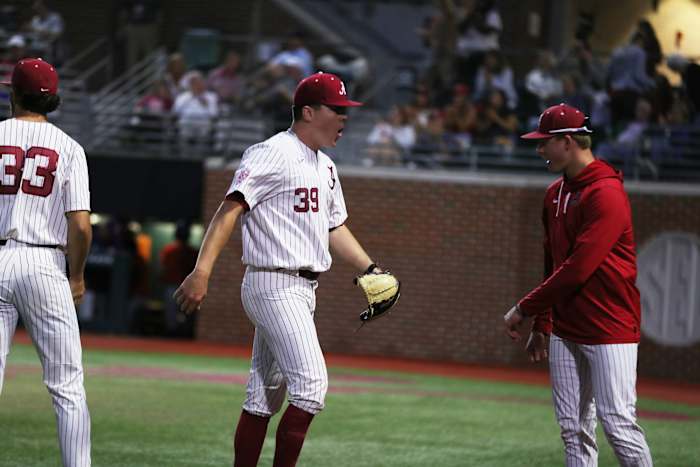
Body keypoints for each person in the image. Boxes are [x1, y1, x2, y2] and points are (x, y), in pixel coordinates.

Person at [174, 72, 386, 467]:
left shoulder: (325, 167)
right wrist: (201, 271)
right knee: (310, 388)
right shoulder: (272, 151)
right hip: (273, 281)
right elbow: (229, 210)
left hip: (302, 289)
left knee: (264, 395)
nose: (344, 118)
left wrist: (370, 268)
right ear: (308, 111)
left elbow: (334, 228)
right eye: (336, 110)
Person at [503, 103, 653, 467]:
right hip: (566, 330)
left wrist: (524, 307)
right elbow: (553, 262)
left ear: (568, 142)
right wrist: (543, 324)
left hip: (610, 327)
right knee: (574, 429)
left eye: (545, 142)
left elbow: (578, 268)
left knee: (617, 423)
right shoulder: (554, 193)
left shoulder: (606, 193)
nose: (539, 149)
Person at [0, 58, 92, 466]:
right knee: (67, 385)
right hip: (44, 263)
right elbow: (82, 227)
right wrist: (77, 275)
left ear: (12, 94)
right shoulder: (69, 147)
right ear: (52, 98)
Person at [160, 221, 197, 334]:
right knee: (177, 316)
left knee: (181, 316)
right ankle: (176, 335)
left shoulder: (188, 251)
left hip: (180, 286)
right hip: (177, 285)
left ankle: (178, 335)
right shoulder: (170, 250)